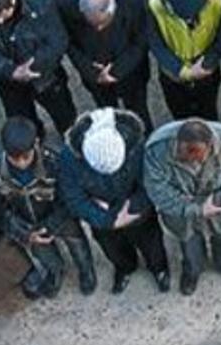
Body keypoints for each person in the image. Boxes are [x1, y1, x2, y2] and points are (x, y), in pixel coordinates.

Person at [60, 107, 169, 295]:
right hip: (102, 216)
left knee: (152, 243)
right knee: (113, 249)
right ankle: (125, 268)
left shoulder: (139, 145)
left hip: (137, 209)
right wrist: (108, 220)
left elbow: (152, 181)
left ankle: (159, 268)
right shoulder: (69, 158)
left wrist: (134, 208)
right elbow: (73, 197)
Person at [144, 118, 221, 295]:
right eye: (184, 159)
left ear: (211, 145)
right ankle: (192, 269)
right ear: (177, 143)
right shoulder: (156, 149)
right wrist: (197, 209)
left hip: (220, 203)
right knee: (188, 237)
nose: (191, 164)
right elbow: (157, 192)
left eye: (197, 158)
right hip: (181, 204)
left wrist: (216, 201)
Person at [0, 116, 95, 298]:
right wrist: (23, 232)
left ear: (36, 143)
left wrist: (51, 226)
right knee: (45, 255)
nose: (21, 163)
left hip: (61, 218)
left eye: (25, 157)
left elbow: (70, 199)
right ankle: (56, 273)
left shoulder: (55, 161)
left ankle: (86, 271)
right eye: (15, 158)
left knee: (78, 247)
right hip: (28, 224)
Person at [0, 0, 74, 135]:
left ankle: (71, 145)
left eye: (1, 15)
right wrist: (8, 69)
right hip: (7, 79)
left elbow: (58, 41)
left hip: (44, 75)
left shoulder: (39, 2)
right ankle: (34, 143)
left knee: (65, 117)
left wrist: (31, 67)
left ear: (12, 1)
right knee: (22, 125)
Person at [59, 0, 152, 130]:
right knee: (106, 111)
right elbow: (68, 43)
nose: (98, 29)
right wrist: (89, 69)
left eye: (103, 22)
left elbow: (142, 40)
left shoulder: (131, 1)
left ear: (112, 8)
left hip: (131, 72)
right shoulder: (66, 5)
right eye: (93, 24)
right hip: (95, 77)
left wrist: (118, 70)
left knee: (139, 110)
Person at [146, 0, 221, 121]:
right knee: (179, 112)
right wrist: (182, 71)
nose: (189, 20)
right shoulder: (155, 5)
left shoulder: (218, 2)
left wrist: (207, 64)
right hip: (172, 71)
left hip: (205, 68)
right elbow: (155, 42)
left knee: (208, 111)